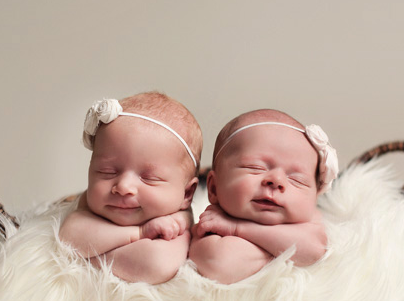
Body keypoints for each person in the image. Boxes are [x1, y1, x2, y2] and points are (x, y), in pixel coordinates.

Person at [59, 92, 202, 284]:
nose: (123, 187)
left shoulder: (176, 222)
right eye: (107, 172)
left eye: (149, 178)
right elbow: (68, 239)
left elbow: (157, 265)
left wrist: (92, 254)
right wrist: (140, 233)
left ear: (187, 194)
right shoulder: (91, 206)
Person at [189, 109, 338, 284]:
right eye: (255, 167)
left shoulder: (312, 219)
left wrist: (237, 228)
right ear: (213, 188)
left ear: (315, 197)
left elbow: (315, 250)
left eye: (297, 179)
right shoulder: (212, 223)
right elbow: (219, 264)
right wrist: (289, 248)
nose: (276, 181)